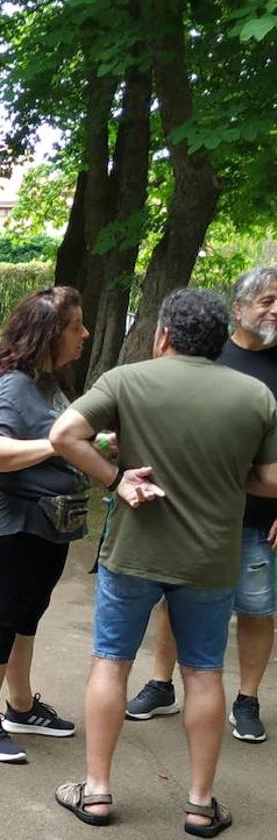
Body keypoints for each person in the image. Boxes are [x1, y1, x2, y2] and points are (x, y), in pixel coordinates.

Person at [49, 288, 277, 836]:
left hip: (134, 551)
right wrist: (227, 478)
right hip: (210, 557)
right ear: (220, 338)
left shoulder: (127, 380)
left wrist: (115, 477)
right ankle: (200, 805)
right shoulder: (254, 396)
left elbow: (64, 436)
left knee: (111, 662)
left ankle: (97, 793)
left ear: (164, 335)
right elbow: (271, 479)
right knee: (203, 673)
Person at [126, 267, 277, 742]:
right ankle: (160, 683)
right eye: (267, 300)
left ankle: (248, 699)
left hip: (258, 520)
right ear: (237, 309)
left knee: (256, 609)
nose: (276, 310)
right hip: (191, 514)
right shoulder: (210, 354)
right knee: (174, 604)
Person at [0, 287, 91, 763]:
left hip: (49, 520)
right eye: (76, 326)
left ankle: (19, 707)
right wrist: (61, 446)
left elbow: (54, 434)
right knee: (6, 611)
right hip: (13, 519)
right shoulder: (11, 383)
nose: (85, 334)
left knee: (29, 611)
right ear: (50, 333)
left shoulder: (46, 380)